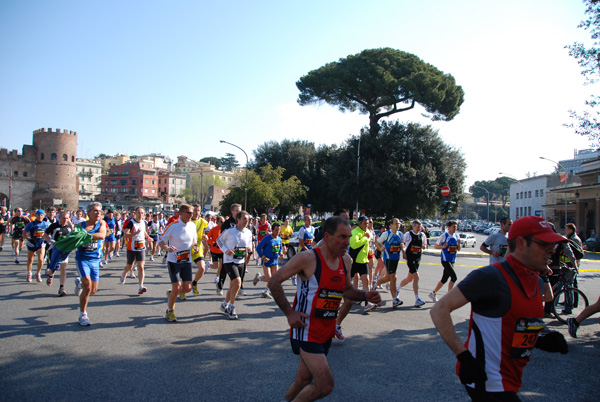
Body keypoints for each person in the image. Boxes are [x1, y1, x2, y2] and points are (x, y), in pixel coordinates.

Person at [430, 216, 569, 400]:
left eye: (554, 245)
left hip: (512, 379)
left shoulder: (536, 282)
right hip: (487, 381)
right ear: (521, 243)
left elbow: (514, 324)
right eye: (545, 244)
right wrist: (463, 357)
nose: (552, 251)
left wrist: (540, 339)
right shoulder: (491, 277)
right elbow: (439, 309)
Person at [268, 216, 381, 402]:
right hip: (306, 330)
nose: (347, 241)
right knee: (325, 385)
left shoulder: (346, 260)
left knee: (303, 380)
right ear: (327, 237)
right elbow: (274, 281)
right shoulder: (308, 258)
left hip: (326, 331)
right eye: (342, 237)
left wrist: (365, 295)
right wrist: (289, 312)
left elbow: (347, 290)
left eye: (349, 236)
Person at [158, 204, 198, 322]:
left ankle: (172, 293)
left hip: (186, 260)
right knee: (177, 286)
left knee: (188, 288)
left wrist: (195, 246)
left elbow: (193, 239)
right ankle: (170, 311)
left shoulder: (192, 225)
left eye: (192, 213)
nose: (191, 215)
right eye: (188, 213)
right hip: (174, 261)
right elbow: (160, 240)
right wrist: (167, 248)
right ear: (181, 213)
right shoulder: (173, 226)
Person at [74, 202, 107, 326]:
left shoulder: (102, 223)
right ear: (88, 213)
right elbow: (75, 238)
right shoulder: (80, 226)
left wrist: (85, 236)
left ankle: (79, 282)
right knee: (87, 286)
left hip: (95, 259)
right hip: (82, 258)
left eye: (99, 211)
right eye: (95, 211)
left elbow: (102, 235)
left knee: (93, 290)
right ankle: (83, 314)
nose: (98, 213)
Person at [216, 210, 253, 319]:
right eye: (244, 219)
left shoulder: (248, 232)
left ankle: (224, 304)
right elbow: (219, 241)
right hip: (229, 260)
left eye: (248, 219)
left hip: (241, 260)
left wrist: (250, 248)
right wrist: (226, 250)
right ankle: (231, 307)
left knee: (233, 285)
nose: (246, 221)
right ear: (238, 219)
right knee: (237, 282)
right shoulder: (229, 231)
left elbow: (249, 244)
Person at [374, 218, 404, 308]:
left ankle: (375, 285)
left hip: (396, 259)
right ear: (391, 225)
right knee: (393, 277)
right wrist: (381, 248)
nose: (398, 225)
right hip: (388, 258)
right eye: (396, 224)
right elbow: (378, 243)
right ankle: (395, 300)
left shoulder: (400, 234)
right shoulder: (386, 234)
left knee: (388, 278)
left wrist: (403, 248)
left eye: (399, 224)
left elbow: (402, 244)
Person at [398, 219, 428, 307]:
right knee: (416, 276)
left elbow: (425, 245)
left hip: (418, 258)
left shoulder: (422, 235)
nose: (419, 229)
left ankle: (397, 288)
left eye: (420, 227)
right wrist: (403, 252)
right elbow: (402, 243)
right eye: (418, 227)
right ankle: (417, 299)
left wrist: (424, 246)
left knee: (409, 278)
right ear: (413, 226)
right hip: (410, 258)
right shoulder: (408, 235)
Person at [120, 207, 149, 295]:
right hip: (131, 248)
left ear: (144, 214)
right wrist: (135, 233)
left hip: (141, 248)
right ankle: (124, 272)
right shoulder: (131, 223)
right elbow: (126, 235)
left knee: (141, 266)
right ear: (135, 213)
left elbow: (143, 232)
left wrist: (148, 237)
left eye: (142, 213)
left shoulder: (144, 223)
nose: (140, 215)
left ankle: (141, 286)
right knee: (129, 266)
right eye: (139, 213)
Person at [430, 220, 461, 302]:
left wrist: (459, 244)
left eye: (456, 227)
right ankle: (449, 297)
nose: (455, 228)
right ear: (449, 227)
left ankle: (433, 293)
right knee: (454, 277)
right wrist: (443, 246)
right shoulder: (444, 236)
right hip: (445, 260)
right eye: (454, 227)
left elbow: (459, 249)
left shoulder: (457, 236)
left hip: (452, 260)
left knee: (444, 279)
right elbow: (436, 246)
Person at [44, 211, 73, 296]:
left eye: (67, 218)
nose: (65, 220)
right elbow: (44, 235)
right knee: (52, 268)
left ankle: (61, 287)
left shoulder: (69, 227)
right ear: (59, 218)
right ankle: (50, 276)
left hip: (64, 250)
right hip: (54, 249)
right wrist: (50, 241)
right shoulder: (54, 226)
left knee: (63, 267)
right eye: (63, 218)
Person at [253, 221, 283, 298]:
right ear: (272, 230)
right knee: (268, 278)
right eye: (276, 230)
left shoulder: (279, 239)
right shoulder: (267, 238)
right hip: (267, 261)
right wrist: (263, 257)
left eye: (279, 230)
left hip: (275, 261)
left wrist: (281, 253)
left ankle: (265, 292)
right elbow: (258, 248)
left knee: (274, 278)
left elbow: (280, 249)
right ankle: (258, 277)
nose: (277, 232)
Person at [216, 203, 242, 295]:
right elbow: (221, 239)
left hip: (239, 250)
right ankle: (220, 286)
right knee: (224, 269)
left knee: (240, 268)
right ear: (232, 212)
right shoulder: (226, 224)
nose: (239, 213)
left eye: (240, 211)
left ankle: (240, 287)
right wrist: (226, 250)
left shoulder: (241, 222)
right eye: (237, 211)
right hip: (228, 251)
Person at [23, 209, 49, 282]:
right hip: (32, 242)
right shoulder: (31, 224)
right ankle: (29, 273)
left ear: (43, 216)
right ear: (36, 216)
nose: (40, 216)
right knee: (30, 259)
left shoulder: (45, 224)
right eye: (38, 215)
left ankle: (38, 273)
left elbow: (48, 233)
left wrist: (48, 240)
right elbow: (24, 233)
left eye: (41, 215)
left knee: (41, 259)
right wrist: (27, 239)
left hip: (41, 243)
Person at [190, 205, 209, 297]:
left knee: (202, 268)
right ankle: (182, 289)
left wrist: (205, 237)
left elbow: (204, 234)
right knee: (186, 271)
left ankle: (194, 283)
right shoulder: (188, 222)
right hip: (187, 248)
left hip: (198, 248)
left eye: (198, 210)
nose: (196, 212)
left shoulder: (202, 222)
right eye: (195, 210)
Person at [206, 216, 224, 286]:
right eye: (221, 222)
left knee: (221, 265)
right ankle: (209, 264)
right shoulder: (214, 229)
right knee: (215, 266)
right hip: (214, 250)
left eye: (223, 222)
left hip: (222, 250)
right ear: (217, 222)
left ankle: (217, 277)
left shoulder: (225, 230)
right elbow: (207, 238)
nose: (223, 223)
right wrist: (213, 243)